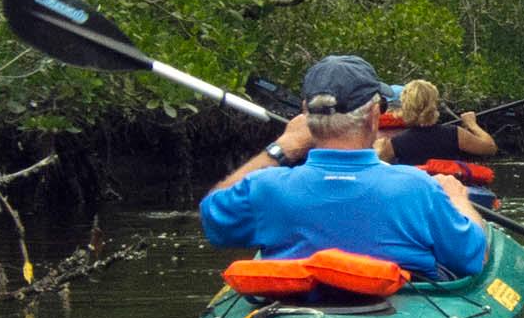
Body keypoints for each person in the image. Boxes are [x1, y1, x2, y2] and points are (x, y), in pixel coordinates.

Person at [200, 54, 489, 279]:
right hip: (395, 311)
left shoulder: (266, 187)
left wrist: (283, 147)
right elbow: (473, 258)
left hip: (295, 313)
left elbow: (213, 216)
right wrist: (458, 201)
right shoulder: (418, 187)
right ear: (375, 114)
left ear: (305, 114)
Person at [378, 79, 497, 166]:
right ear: (434, 103)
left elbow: (379, 170)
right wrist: (472, 124)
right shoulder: (455, 134)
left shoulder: (395, 143)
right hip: (450, 190)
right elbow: (490, 148)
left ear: (405, 105)